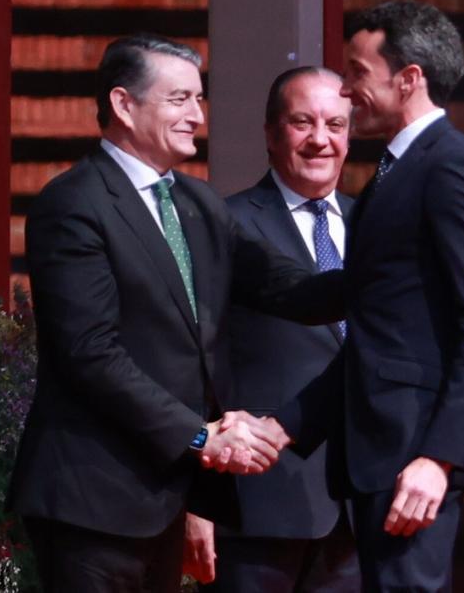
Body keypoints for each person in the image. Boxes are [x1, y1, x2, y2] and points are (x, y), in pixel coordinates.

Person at [8, 34, 343, 593]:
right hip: (91, 497)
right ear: (123, 104)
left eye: (199, 99)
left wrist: (384, 267)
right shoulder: (73, 203)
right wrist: (198, 437)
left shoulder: (198, 203)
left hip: (166, 497)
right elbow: (90, 354)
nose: (197, 115)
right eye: (180, 99)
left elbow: (291, 291)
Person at [276, 0, 464, 592]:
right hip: (382, 453)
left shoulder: (450, 167)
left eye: (358, 72)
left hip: (413, 458)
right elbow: (377, 324)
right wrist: (285, 425)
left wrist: (439, 459)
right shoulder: (395, 170)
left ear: (408, 79)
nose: (347, 91)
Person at [190, 67, 360, 591]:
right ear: (270, 132)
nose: (320, 139)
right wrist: (195, 502)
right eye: (302, 122)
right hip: (257, 505)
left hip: (359, 503)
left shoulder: (374, 225)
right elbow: (197, 361)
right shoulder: (224, 223)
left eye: (335, 124)